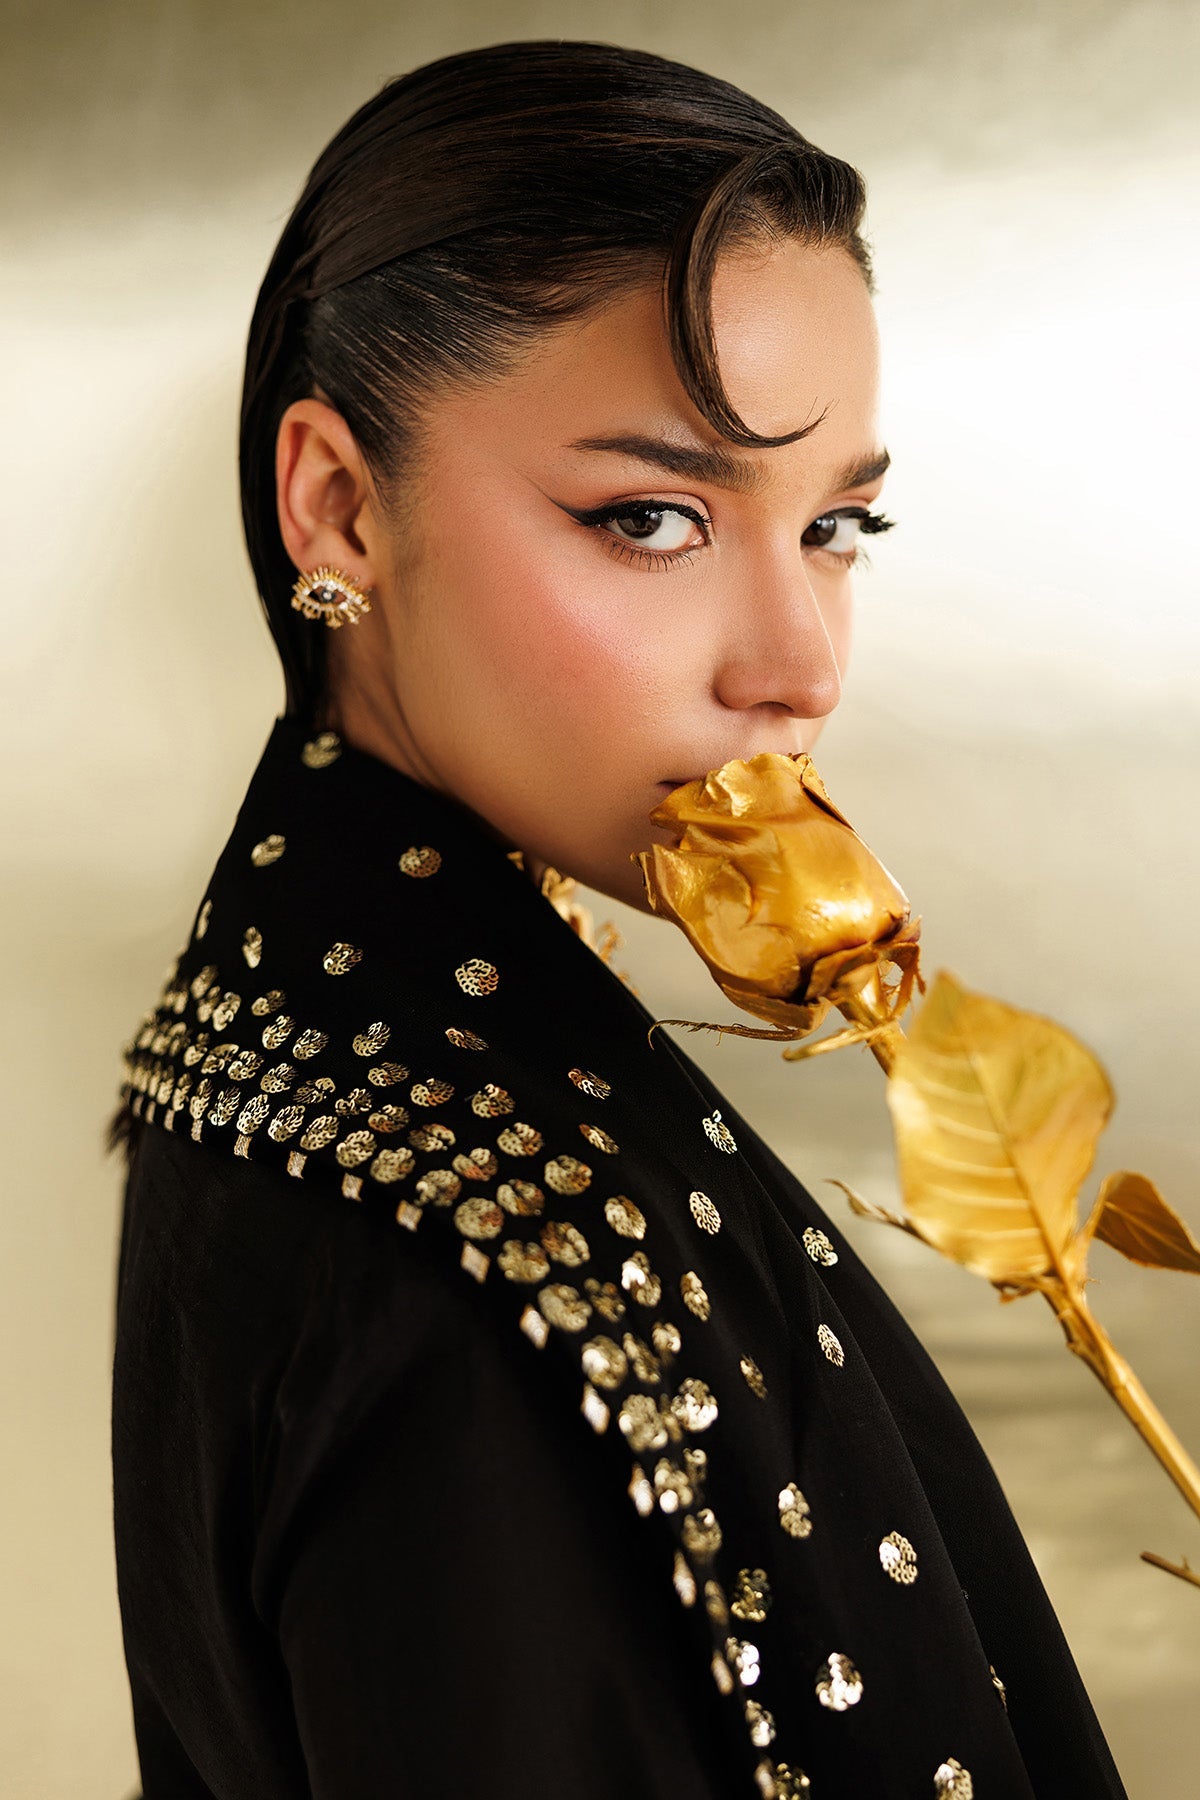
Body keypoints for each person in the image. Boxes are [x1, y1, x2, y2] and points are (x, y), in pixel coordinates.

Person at [108, 39, 1128, 1800]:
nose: (798, 667)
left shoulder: (314, 1030)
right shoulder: (448, 1253)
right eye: (652, 516)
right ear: (338, 504)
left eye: (840, 524)